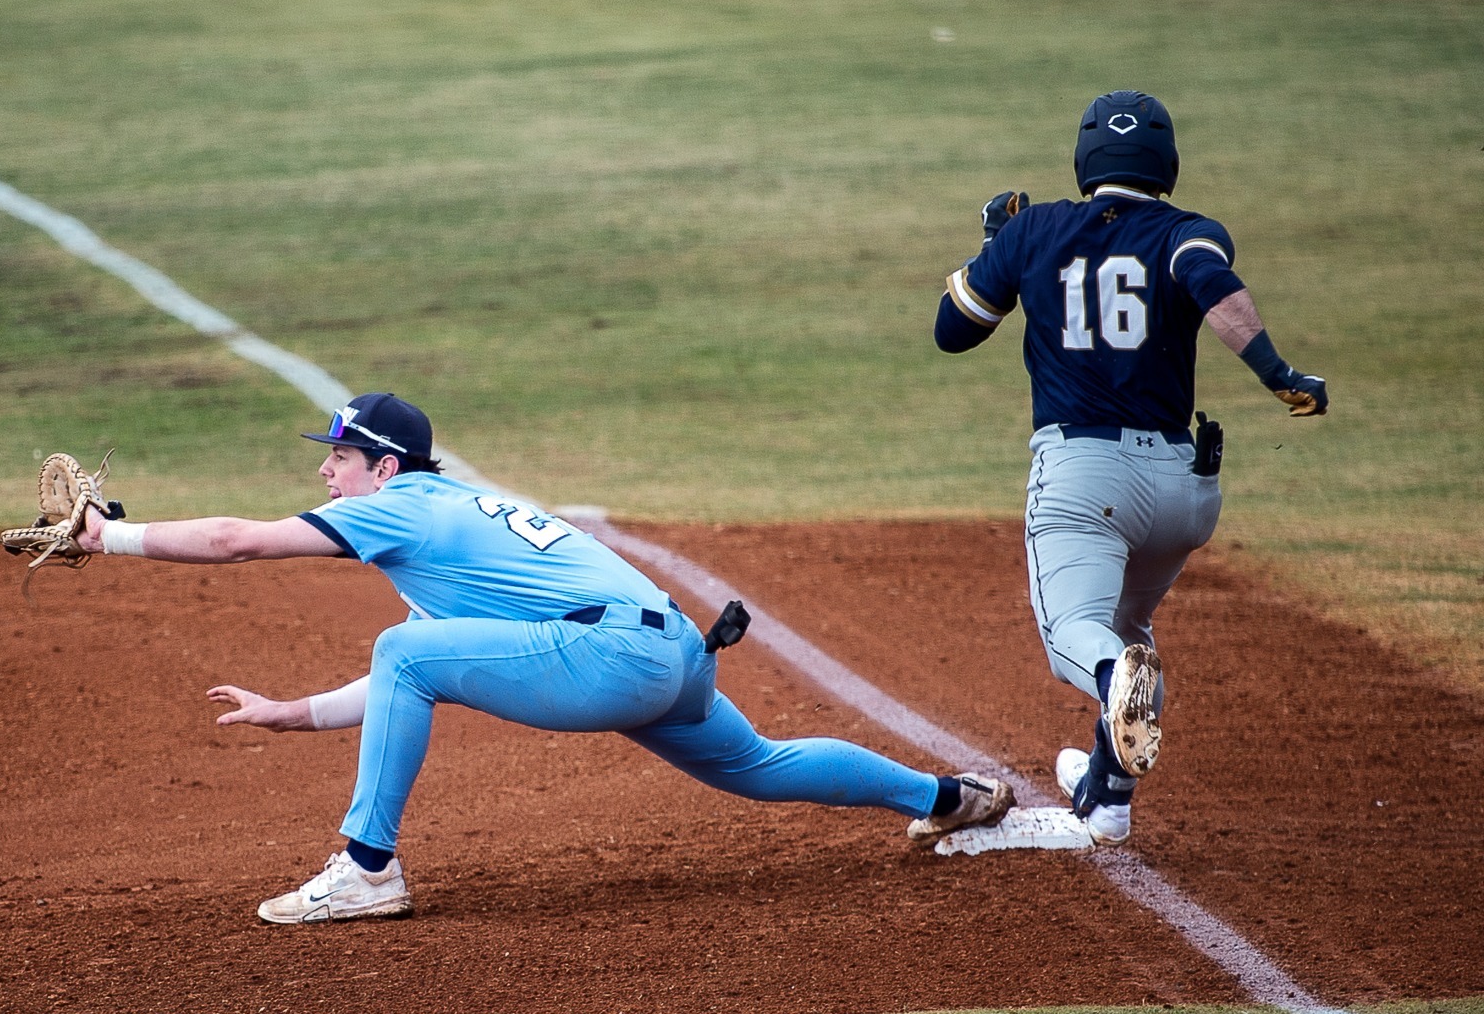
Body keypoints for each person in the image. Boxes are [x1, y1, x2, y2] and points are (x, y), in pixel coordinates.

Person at [74, 392, 1014, 922]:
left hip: (608, 652)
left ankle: (367, 869)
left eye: (340, 458)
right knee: (758, 765)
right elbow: (423, 666)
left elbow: (239, 541)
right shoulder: (447, 519)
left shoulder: (398, 507)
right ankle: (949, 799)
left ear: (384, 469)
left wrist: (108, 538)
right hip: (673, 652)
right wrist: (296, 711)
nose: (327, 471)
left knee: (404, 649)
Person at [934, 90, 1328, 845]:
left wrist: (995, 246)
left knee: (1076, 639)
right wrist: (1279, 372)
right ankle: (1106, 795)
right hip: (1184, 492)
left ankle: (1117, 684)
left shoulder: (1035, 228)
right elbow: (1215, 292)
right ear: (1165, 163)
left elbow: (953, 330)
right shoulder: (1189, 233)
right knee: (1127, 626)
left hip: (1086, 480)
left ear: (1086, 159)